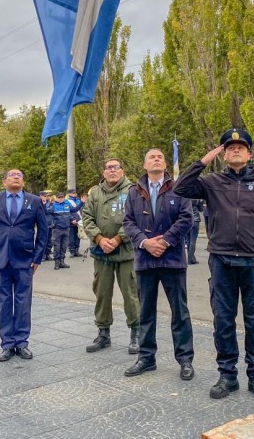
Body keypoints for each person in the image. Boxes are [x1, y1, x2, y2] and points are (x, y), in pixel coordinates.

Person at [174, 127, 254, 402]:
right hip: (222, 260)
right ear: (223, 154)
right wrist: (202, 161)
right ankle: (227, 375)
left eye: (240, 146)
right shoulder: (213, 182)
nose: (235, 149)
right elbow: (181, 187)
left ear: (249, 152)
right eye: (229, 147)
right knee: (223, 321)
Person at [122, 148, 195, 380]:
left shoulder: (179, 188)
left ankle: (185, 360)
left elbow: (187, 218)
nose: (156, 159)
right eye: (152, 157)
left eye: (160, 157)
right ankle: (146, 358)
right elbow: (128, 222)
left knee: (180, 312)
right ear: (144, 165)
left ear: (165, 165)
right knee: (145, 311)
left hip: (172, 259)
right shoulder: (134, 192)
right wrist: (144, 242)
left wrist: (164, 240)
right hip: (145, 259)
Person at [0, 169, 48, 361]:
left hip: (25, 259)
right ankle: (7, 344)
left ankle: (22, 342)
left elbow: (43, 231)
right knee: (4, 302)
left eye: (20, 176)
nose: (16, 177)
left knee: (23, 302)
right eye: (12, 175)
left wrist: (37, 258)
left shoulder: (33, 201)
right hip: (0, 259)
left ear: (23, 182)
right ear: (4, 181)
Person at [82, 159, 140, 355]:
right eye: (109, 168)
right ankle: (103, 333)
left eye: (116, 167)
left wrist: (117, 239)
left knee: (131, 294)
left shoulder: (133, 190)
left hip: (125, 252)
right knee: (102, 293)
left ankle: (136, 333)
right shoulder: (95, 192)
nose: (112, 171)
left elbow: (137, 217)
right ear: (104, 171)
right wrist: (99, 238)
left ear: (122, 171)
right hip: (102, 253)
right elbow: (87, 217)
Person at [47, 192, 77, 270]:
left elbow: (69, 214)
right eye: (59, 197)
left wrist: (72, 219)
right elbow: (46, 212)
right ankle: (57, 263)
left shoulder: (66, 205)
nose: (61, 198)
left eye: (62, 197)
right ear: (56, 198)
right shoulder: (53, 206)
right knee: (57, 246)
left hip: (66, 228)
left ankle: (62, 262)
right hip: (57, 229)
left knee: (64, 246)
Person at [186, 199, 203, 264]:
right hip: (195, 220)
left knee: (188, 240)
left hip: (187, 220)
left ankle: (190, 257)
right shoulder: (197, 198)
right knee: (193, 240)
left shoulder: (185, 196)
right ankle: (191, 259)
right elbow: (201, 209)